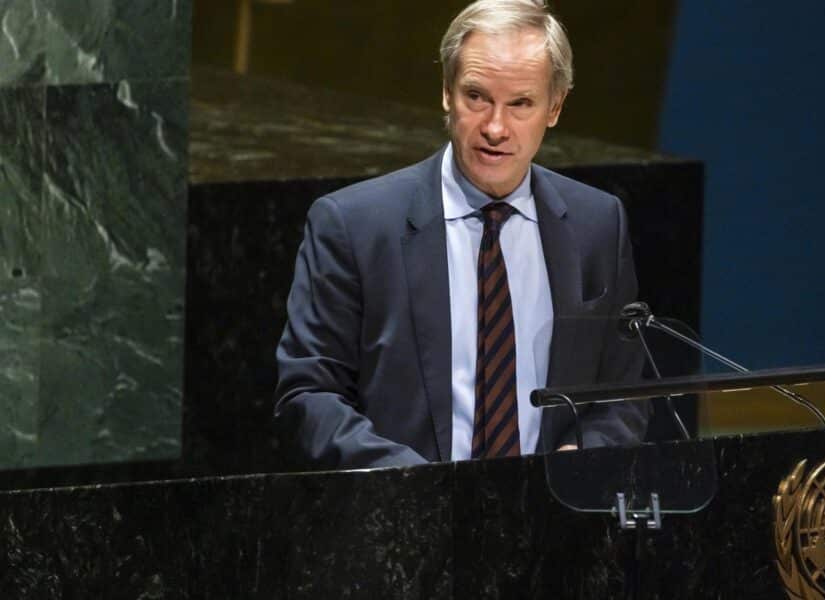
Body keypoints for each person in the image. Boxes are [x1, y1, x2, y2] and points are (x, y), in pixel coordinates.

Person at [274, 0, 647, 470]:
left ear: (554, 107)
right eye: (477, 97)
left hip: (550, 525)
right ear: (447, 92)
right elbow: (309, 395)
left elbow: (625, 392)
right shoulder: (352, 226)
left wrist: (586, 459)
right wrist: (419, 490)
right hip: (401, 522)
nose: (495, 127)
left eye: (520, 104)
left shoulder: (598, 224)